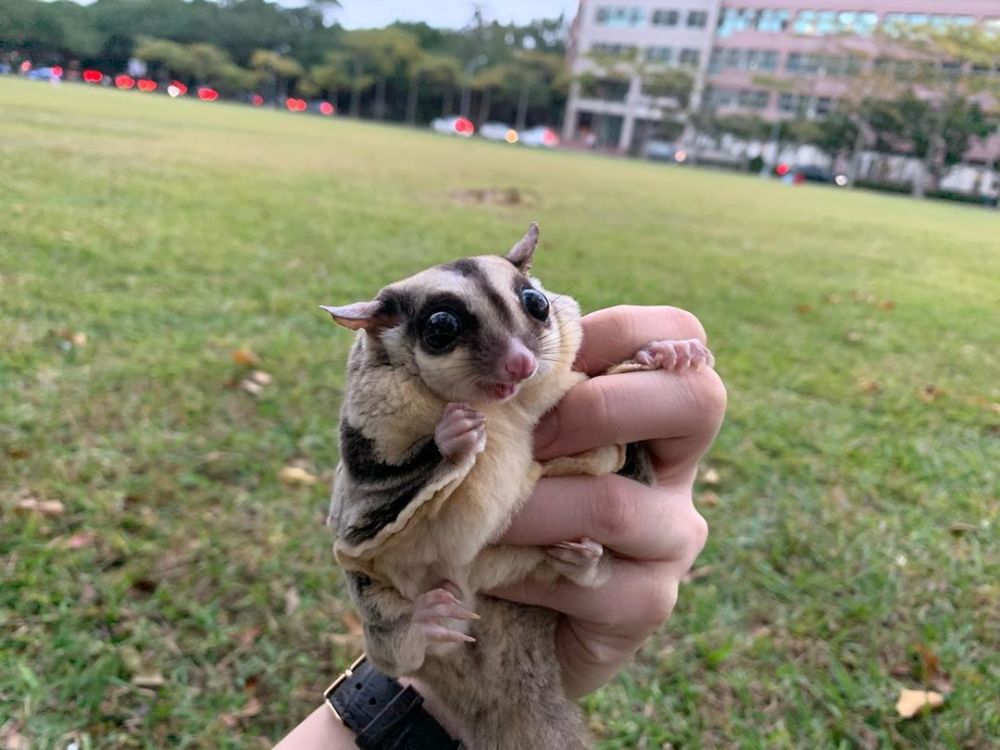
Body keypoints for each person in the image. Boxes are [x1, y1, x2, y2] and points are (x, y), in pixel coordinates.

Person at [274, 305, 726, 749]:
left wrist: (647, 361)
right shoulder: (390, 395)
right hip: (443, 621)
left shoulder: (553, 368)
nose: (520, 361)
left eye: (532, 305)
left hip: (530, 607)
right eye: (444, 328)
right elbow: (365, 527)